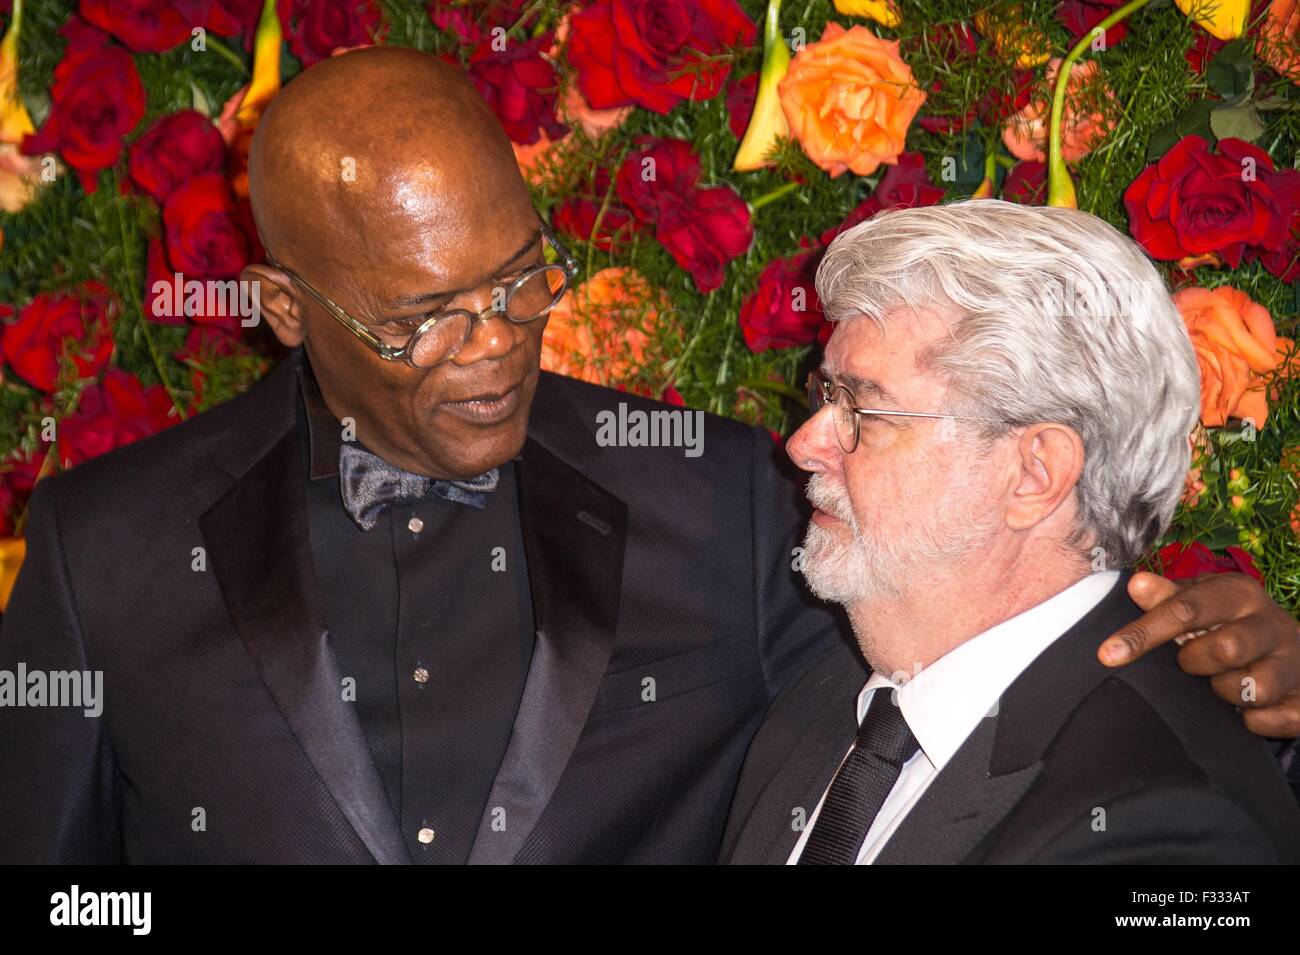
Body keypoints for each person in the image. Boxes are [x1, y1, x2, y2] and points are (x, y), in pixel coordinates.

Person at [1, 49, 1295, 865]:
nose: (495, 345)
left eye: (517, 278)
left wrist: (1236, 655)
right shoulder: (98, 544)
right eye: (418, 319)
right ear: (288, 311)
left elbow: (977, 643)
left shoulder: (721, 492)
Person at [721, 201, 1300, 864]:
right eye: (827, 395)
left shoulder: (1167, 822)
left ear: (1034, 473)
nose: (803, 444)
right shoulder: (826, 692)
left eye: (863, 409)